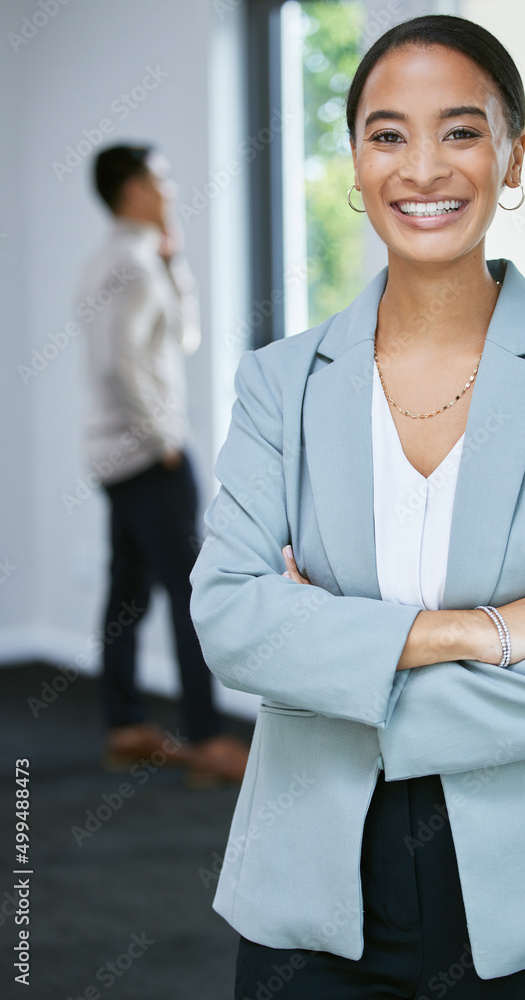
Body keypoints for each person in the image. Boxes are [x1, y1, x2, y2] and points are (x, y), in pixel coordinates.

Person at [190, 14, 525, 997]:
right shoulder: (280, 383)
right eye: (387, 134)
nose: (423, 169)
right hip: (311, 883)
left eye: (459, 130)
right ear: (357, 160)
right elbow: (232, 621)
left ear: (514, 154)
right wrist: (472, 631)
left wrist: (330, 651)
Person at [78, 143, 249, 788]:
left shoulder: (118, 260)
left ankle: (124, 726)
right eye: (161, 178)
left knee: (126, 589)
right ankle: (207, 738)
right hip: (148, 456)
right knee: (192, 592)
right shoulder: (133, 266)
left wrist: (176, 265)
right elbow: (122, 364)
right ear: (133, 190)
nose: (170, 189)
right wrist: (163, 441)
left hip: (114, 456)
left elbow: (177, 338)